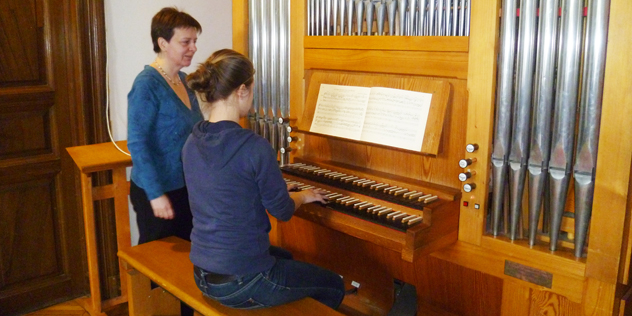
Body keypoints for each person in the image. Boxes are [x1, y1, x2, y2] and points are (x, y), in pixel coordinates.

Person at [182, 49, 346, 310]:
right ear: (242, 90)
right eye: (253, 88)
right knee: (333, 283)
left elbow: (226, 188)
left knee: (285, 257)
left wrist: (270, 187)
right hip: (242, 282)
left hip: (203, 273)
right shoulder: (253, 146)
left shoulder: (192, 141)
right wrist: (303, 195)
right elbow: (282, 211)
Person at [127, 7, 203, 246]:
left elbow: (196, 130)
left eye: (195, 41)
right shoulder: (146, 84)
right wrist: (155, 194)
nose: (193, 48)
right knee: (158, 263)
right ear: (163, 42)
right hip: (157, 190)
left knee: (187, 257)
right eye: (186, 42)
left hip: (184, 187)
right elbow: (138, 143)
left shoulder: (183, 80)